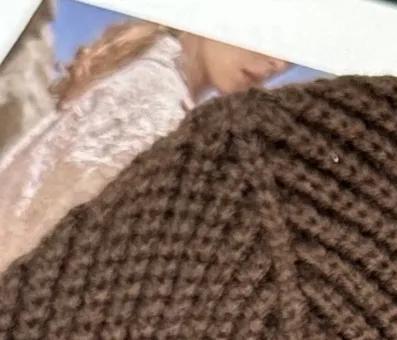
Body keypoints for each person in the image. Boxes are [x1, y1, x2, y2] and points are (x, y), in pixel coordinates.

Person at [0, 21, 288, 273]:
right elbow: (67, 247)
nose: (278, 63)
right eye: (274, 31)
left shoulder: (148, 80)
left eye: (291, 57)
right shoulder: (154, 104)